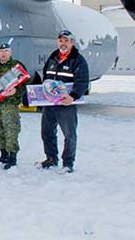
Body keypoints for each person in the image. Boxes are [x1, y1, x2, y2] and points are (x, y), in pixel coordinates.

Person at [38, 30, 89, 173]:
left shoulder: (78, 60)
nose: (63, 43)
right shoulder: (53, 57)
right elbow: (45, 77)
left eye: (66, 40)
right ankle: (51, 159)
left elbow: (83, 81)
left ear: (72, 42)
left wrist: (73, 96)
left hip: (66, 104)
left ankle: (68, 164)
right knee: (47, 132)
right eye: (61, 40)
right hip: (50, 104)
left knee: (69, 135)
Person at [0, 43, 28, 170]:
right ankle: (3, 154)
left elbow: (25, 84)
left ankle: (12, 157)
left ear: (10, 52)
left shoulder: (17, 67)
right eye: (1, 51)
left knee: (11, 131)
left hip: (10, 105)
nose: (4, 53)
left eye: (6, 51)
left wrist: (16, 91)